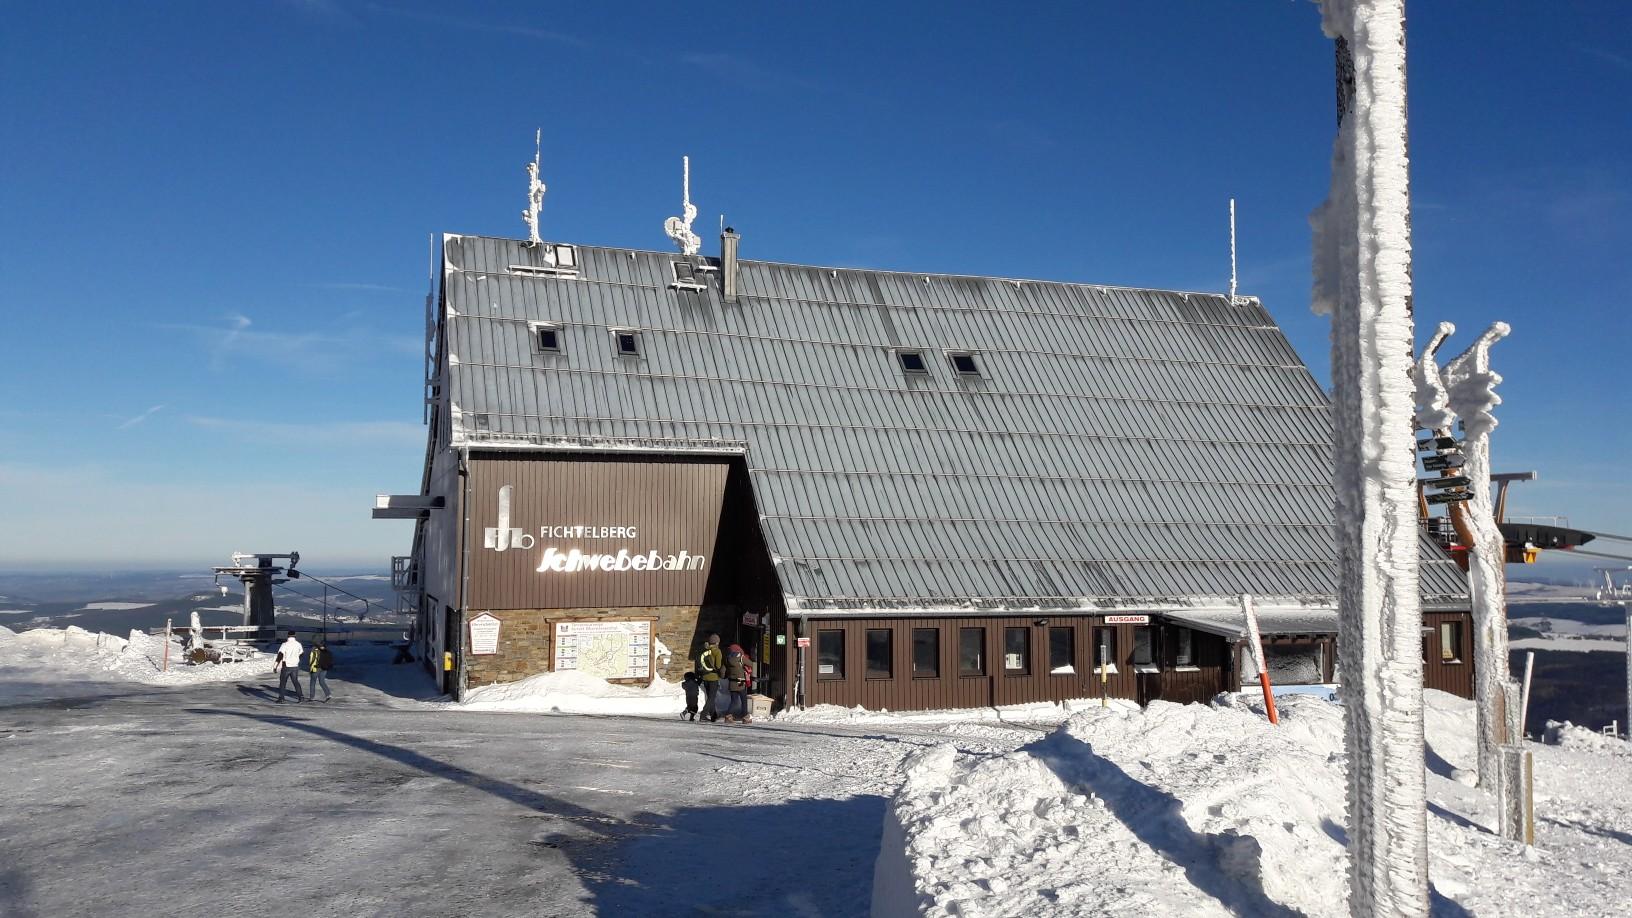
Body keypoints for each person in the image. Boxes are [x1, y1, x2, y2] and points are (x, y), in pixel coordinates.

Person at [695, 633, 724, 723]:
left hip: (705, 676)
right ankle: (703, 715)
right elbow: (718, 666)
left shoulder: (705, 650)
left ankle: (713, 715)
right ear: (717, 642)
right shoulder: (717, 651)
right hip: (713, 677)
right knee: (711, 698)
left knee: (710, 697)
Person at [723, 643, 753, 724]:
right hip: (741, 683)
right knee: (744, 701)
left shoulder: (727, 658)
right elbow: (751, 664)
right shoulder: (741, 657)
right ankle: (745, 717)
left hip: (732, 683)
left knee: (734, 701)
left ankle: (728, 716)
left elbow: (723, 673)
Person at [273, 631, 305, 703]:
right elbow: (302, 653)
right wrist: (296, 658)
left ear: (288, 636)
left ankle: (281, 698)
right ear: (295, 636)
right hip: (295, 666)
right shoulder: (298, 644)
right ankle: (301, 697)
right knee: (295, 682)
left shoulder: (285, 644)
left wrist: (275, 666)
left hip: (286, 666)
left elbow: (280, 655)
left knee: (283, 682)